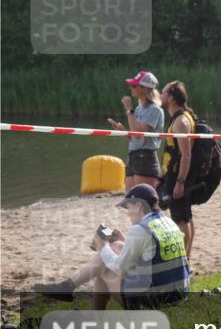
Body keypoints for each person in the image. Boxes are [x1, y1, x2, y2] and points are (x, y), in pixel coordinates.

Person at [33, 184, 189, 310]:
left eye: (128, 208)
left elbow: (120, 268)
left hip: (156, 301)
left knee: (103, 268)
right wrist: (125, 241)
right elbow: (153, 250)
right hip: (179, 295)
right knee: (117, 245)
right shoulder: (169, 223)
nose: (128, 214)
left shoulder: (140, 229)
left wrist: (102, 247)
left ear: (138, 205)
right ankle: (68, 287)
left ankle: (71, 291)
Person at [108, 71, 164, 191]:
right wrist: (123, 131)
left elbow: (139, 134)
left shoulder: (154, 110)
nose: (130, 88)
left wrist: (129, 109)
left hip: (145, 157)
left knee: (144, 200)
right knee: (130, 199)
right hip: (133, 155)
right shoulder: (139, 109)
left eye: (134, 86)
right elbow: (135, 137)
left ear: (144, 89)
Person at [160, 81, 196, 261]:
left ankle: (182, 263)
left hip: (179, 176)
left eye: (163, 92)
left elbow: (186, 154)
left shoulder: (181, 121)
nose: (160, 95)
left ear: (171, 97)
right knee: (186, 218)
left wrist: (180, 182)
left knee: (181, 221)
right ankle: (186, 262)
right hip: (175, 174)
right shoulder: (182, 117)